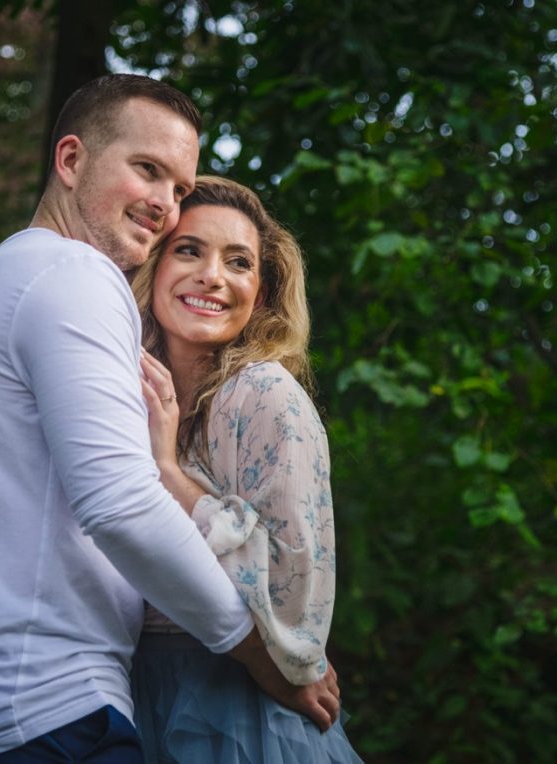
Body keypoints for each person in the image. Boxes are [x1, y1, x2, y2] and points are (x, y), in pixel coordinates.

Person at [0, 74, 300, 762]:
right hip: (35, 714)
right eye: (147, 170)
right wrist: (256, 648)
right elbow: (121, 504)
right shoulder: (74, 275)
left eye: (180, 189)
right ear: (71, 160)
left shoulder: (2, 278)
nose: (165, 205)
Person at [126, 176, 361, 761]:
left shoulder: (263, 395)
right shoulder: (124, 391)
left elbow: (293, 592)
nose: (213, 276)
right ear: (154, 267)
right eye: (189, 250)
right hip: (131, 686)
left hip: (235, 704)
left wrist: (168, 472)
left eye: (238, 262)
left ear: (258, 296)